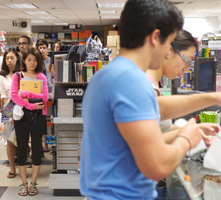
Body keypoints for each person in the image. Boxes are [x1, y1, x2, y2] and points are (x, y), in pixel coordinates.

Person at [80, 0, 203, 199]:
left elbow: (154, 110)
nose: (167, 52)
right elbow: (158, 166)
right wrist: (186, 138)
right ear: (156, 37)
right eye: (168, 43)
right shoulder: (131, 81)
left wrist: (213, 99)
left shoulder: (107, 75)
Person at [146, 29, 220, 199]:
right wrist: (185, 135)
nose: (186, 69)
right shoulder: (147, 88)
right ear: (169, 51)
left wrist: (196, 128)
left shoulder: (153, 85)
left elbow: (158, 127)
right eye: (187, 61)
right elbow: (149, 143)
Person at [10, 47, 48, 196]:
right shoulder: (17, 76)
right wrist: (31, 104)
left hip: (38, 116)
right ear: (24, 61)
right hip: (22, 117)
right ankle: (24, 184)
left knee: (37, 150)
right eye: (29, 59)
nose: (32, 62)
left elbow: (44, 98)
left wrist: (25, 93)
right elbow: (14, 96)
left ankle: (33, 183)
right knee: (22, 150)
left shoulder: (41, 77)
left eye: (35, 60)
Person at [0, 47, 21, 178]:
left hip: (23, 110)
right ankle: (12, 168)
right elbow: (3, 97)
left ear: (17, 58)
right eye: (7, 58)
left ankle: (22, 163)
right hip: (9, 111)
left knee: (22, 140)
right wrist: (11, 115)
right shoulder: (2, 76)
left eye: (12, 57)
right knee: (10, 140)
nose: (9, 60)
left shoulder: (22, 74)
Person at [36, 39, 52, 152]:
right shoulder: (35, 61)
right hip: (37, 91)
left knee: (47, 118)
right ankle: (40, 144)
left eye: (44, 47)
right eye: (40, 48)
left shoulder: (50, 60)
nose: (42, 50)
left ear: (47, 48)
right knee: (39, 117)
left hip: (49, 91)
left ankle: (47, 143)